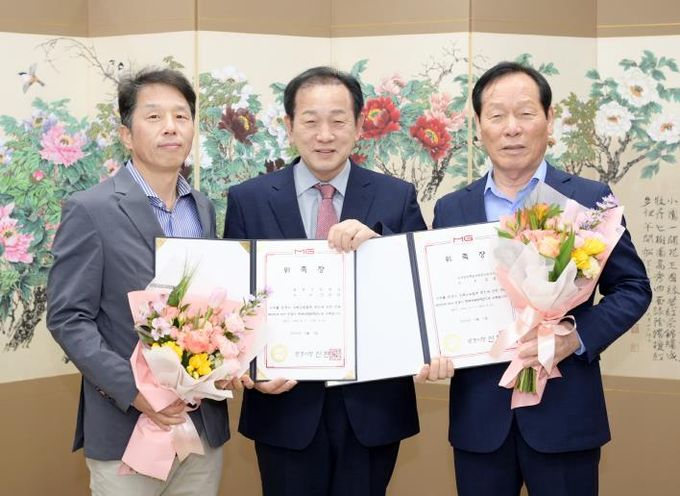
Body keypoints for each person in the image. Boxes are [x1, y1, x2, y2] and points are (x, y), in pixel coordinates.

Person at [431, 61, 652, 495]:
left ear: (549, 120)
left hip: (565, 416)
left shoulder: (590, 200)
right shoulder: (451, 208)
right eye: (497, 115)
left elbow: (633, 288)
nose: (511, 128)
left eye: (526, 113)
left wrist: (575, 338)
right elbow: (437, 300)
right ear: (478, 126)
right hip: (480, 420)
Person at [224, 66, 436, 496]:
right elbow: (231, 302)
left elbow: (420, 290)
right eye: (310, 121)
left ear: (359, 126)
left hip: (372, 408)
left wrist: (379, 245)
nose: (325, 135)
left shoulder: (396, 196)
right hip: (282, 407)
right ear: (289, 126)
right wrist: (249, 369)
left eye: (338, 121)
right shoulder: (248, 199)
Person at [47, 68, 231, 495]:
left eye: (181, 116)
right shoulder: (90, 209)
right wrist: (135, 391)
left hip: (200, 427)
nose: (171, 127)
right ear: (126, 135)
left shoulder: (202, 208)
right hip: (128, 430)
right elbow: (68, 317)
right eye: (153, 116)